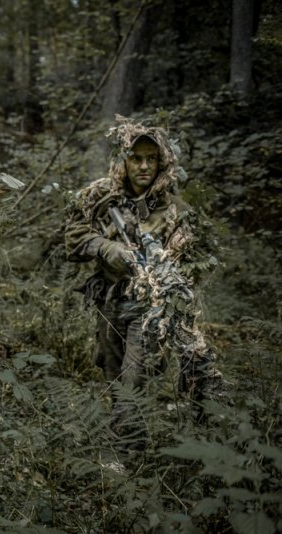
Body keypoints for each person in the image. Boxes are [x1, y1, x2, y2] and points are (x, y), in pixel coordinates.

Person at [64, 116, 226, 448]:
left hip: (149, 310)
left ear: (162, 161)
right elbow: (73, 236)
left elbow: (188, 266)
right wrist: (106, 248)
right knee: (113, 375)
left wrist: (163, 273)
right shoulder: (100, 194)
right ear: (123, 159)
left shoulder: (173, 210)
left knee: (133, 379)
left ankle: (120, 454)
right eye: (136, 158)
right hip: (109, 300)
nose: (143, 166)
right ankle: (134, 443)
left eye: (151, 159)